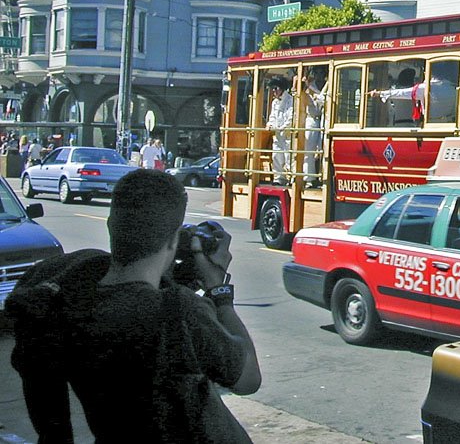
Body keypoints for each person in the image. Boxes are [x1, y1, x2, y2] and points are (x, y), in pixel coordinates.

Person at [7, 168, 261, 442]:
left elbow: (130, 291)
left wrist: (174, 276)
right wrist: (218, 291)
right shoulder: (177, 311)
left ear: (110, 225)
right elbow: (248, 380)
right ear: (175, 239)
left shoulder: (70, 294)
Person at [370, 63, 458, 123]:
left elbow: (402, 93)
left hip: (430, 124)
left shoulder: (425, 88)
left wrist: (380, 93)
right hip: (448, 124)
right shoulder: (452, 89)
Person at [266, 76, 294, 185]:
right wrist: (270, 124)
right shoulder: (275, 102)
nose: (273, 91)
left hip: (287, 134)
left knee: (289, 156)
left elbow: (291, 117)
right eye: (272, 88)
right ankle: (279, 177)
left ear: (282, 88)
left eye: (276, 88)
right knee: (276, 155)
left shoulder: (290, 100)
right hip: (277, 134)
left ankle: (291, 178)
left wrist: (283, 127)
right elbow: (272, 116)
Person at [301, 67, 326, 185]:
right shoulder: (309, 87)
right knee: (309, 150)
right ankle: (309, 179)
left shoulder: (327, 86)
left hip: (323, 120)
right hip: (311, 120)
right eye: (317, 73)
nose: (320, 76)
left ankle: (322, 177)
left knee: (323, 150)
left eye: (322, 73)